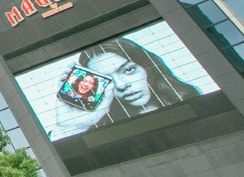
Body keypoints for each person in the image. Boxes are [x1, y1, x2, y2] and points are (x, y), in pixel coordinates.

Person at [50, 36, 206, 138]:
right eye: (108, 80)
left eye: (129, 70)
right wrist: (71, 125)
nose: (121, 85)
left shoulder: (193, 102)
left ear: (145, 66)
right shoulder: (100, 132)